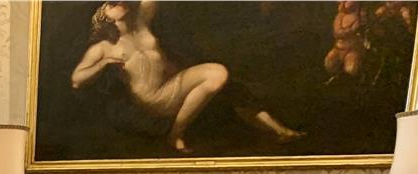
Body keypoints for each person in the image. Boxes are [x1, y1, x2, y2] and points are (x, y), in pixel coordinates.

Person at [71, 1, 303, 153]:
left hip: (171, 87)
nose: (119, 2)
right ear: (104, 16)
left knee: (220, 75)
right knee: (221, 80)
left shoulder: (141, 23)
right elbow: (77, 79)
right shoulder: (104, 47)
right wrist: (103, 64)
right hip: (153, 101)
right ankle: (176, 135)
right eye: (112, 3)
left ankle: (278, 130)